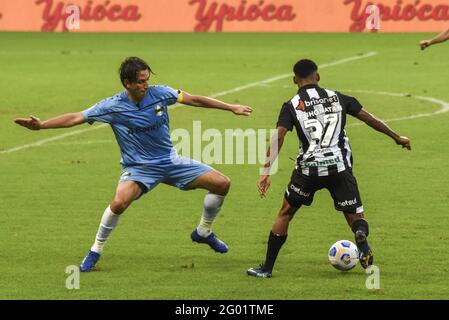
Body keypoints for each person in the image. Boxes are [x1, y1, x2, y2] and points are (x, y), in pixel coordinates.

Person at [15, 57, 253, 272]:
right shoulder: (112, 106)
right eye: (140, 81)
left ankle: (203, 231)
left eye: (147, 80)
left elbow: (194, 99)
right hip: (139, 168)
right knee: (119, 203)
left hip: (170, 161)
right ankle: (95, 250)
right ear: (127, 82)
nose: (145, 85)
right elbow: (77, 117)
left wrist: (231, 107)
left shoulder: (161, 93)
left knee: (222, 183)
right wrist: (42, 125)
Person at [247, 59, 411, 278]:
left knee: (286, 212)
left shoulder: (292, 105)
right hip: (339, 166)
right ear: (318, 77)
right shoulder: (338, 97)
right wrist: (396, 137)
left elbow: (279, 136)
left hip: (308, 170)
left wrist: (266, 171)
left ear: (295, 80)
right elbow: (369, 118)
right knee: (354, 215)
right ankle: (360, 235)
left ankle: (266, 268)